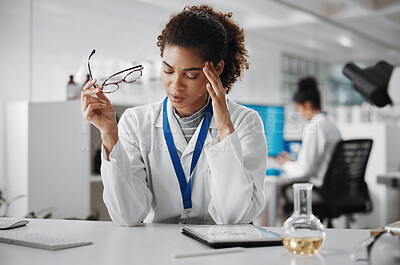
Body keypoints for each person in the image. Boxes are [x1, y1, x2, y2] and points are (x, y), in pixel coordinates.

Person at [81, 5, 267, 226]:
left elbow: (236, 217)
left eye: (190, 74)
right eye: (168, 70)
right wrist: (110, 135)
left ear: (217, 69)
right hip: (159, 252)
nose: (175, 85)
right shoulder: (136, 121)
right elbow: (127, 215)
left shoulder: (245, 122)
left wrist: (225, 129)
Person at [277, 76, 342, 189]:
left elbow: (304, 171)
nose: (300, 114)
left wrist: (285, 164)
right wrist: (293, 162)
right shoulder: (331, 126)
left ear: (307, 105)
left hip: (318, 190)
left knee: (280, 190)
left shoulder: (314, 127)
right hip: (334, 189)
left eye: (298, 109)